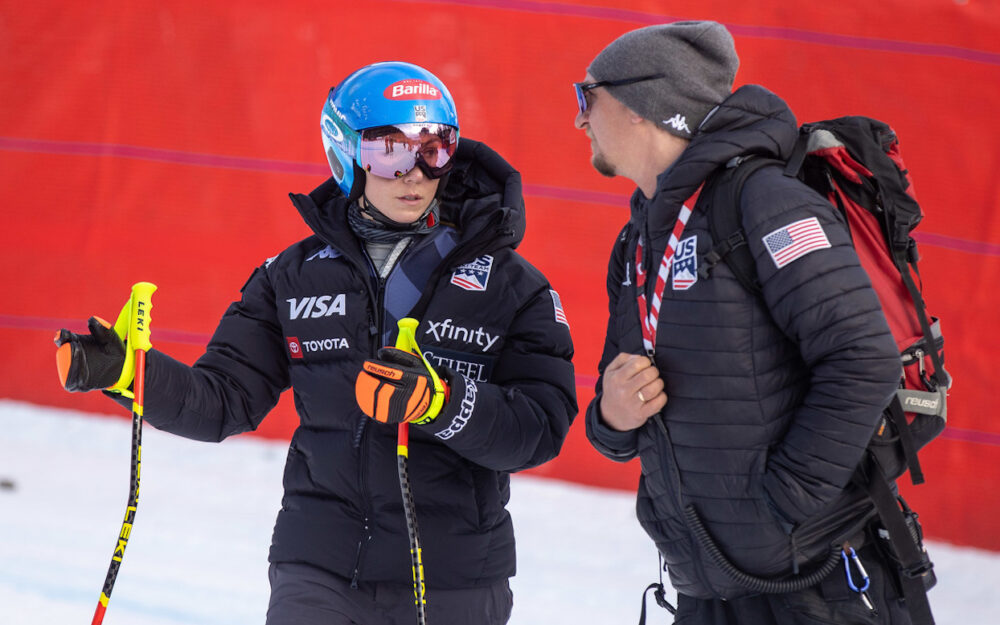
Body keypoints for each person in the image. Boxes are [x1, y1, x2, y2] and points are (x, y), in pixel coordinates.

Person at [55, 61, 577, 625]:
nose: (415, 173)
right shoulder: (292, 276)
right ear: (346, 154)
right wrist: (129, 373)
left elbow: (540, 428)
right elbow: (223, 400)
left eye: (434, 148)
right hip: (319, 569)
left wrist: (439, 404)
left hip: (454, 579)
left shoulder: (511, 285)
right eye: (389, 149)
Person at [575, 21, 922, 624]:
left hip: (814, 585)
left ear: (641, 105)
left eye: (587, 97)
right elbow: (616, 412)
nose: (579, 119)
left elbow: (862, 358)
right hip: (708, 586)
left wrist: (780, 504)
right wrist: (611, 415)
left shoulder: (765, 201)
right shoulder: (639, 239)